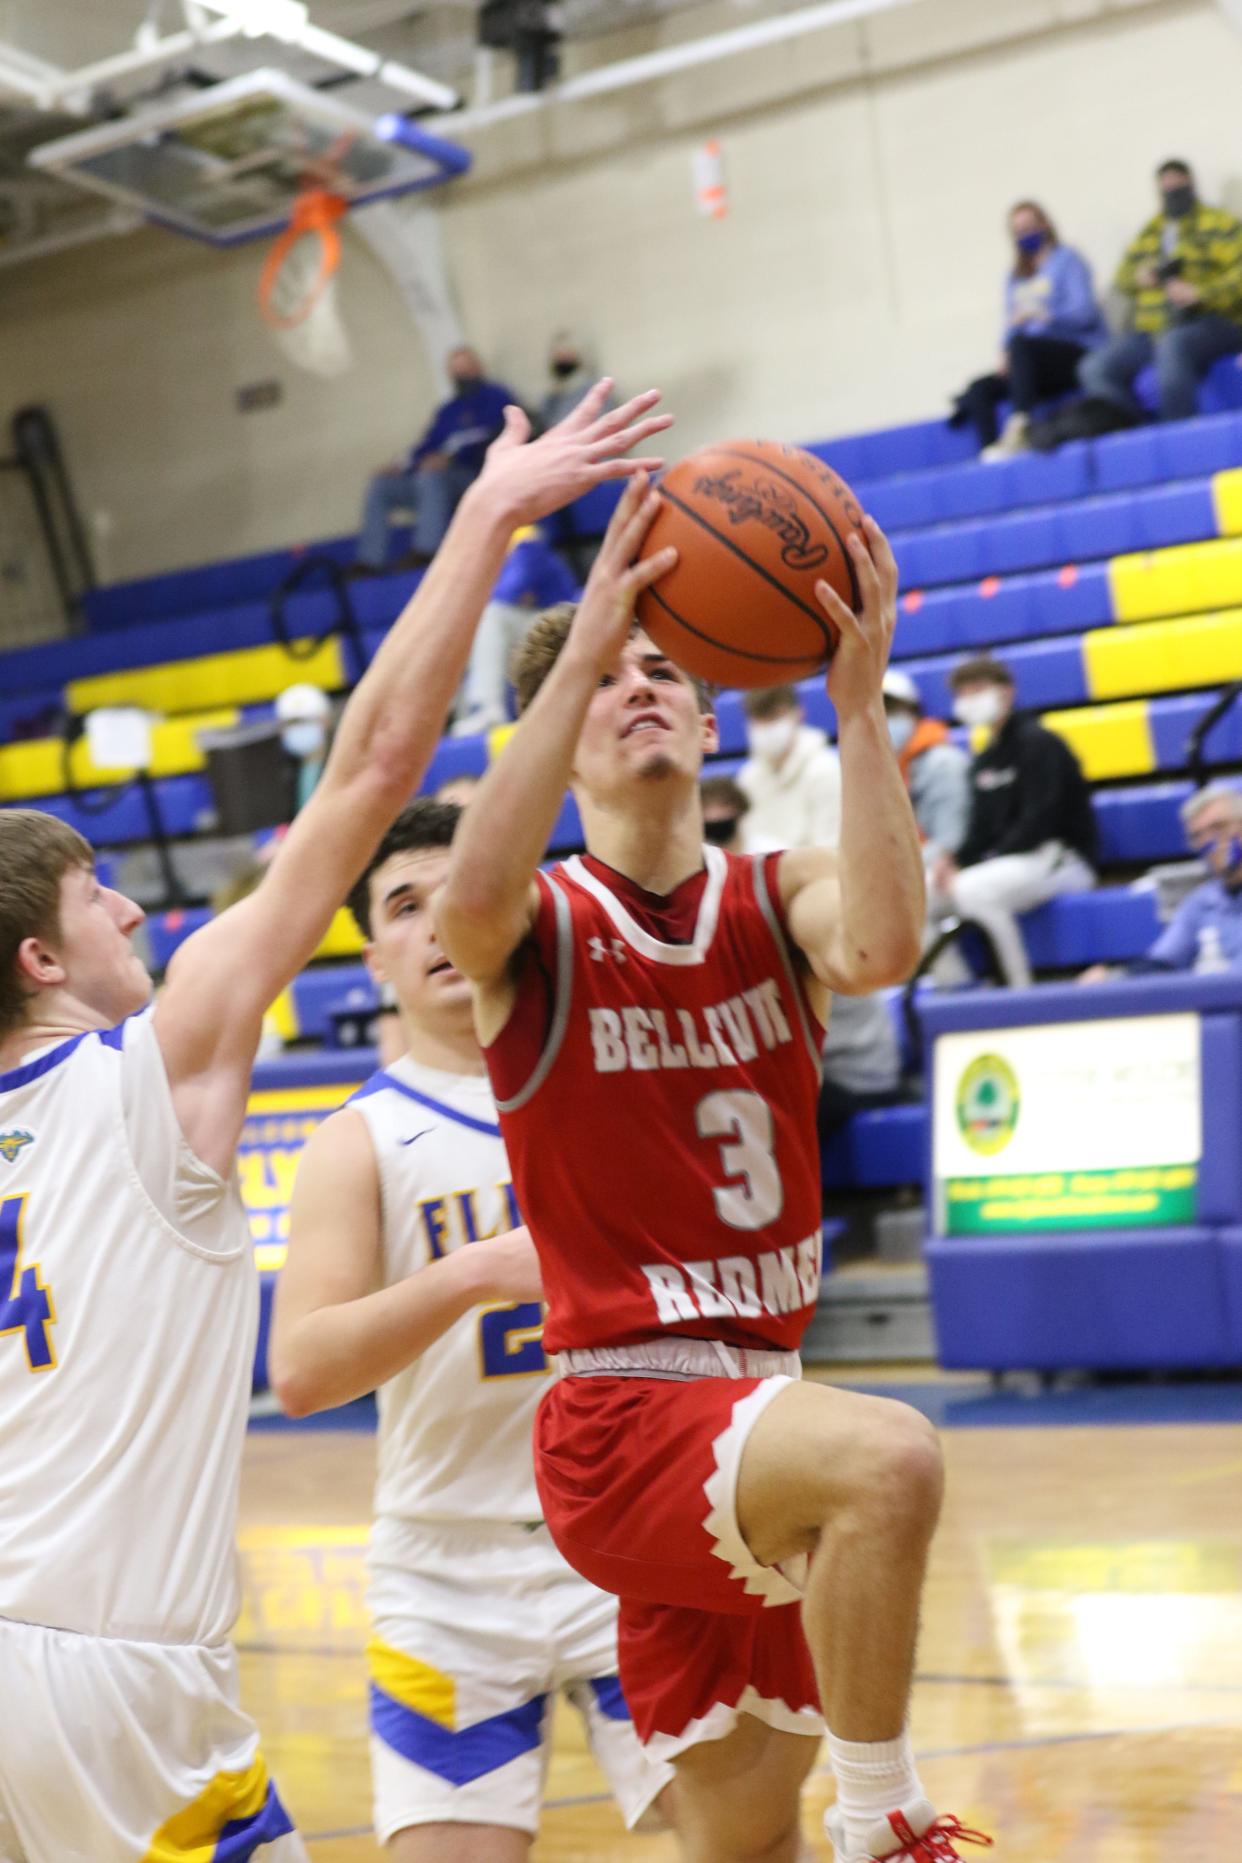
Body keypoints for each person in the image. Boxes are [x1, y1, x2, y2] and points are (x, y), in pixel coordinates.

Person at [0, 379, 670, 1863]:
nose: (130, 904)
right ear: (44, 960)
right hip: (109, 1671)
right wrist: (490, 514)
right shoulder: (146, 1067)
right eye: (95, 894)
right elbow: (371, 769)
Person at [435, 481, 992, 1863]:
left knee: (744, 1844)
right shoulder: (540, 922)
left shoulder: (772, 889)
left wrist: (860, 711)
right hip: (626, 1419)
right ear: (556, 735)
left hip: (759, 1412)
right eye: (607, 675)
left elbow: (876, 948)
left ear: (710, 715)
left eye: (665, 671)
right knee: (894, 1456)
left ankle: (836, 1822)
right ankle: (891, 1819)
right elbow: (465, 906)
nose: (639, 689)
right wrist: (577, 654)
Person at [271, 799, 674, 1860]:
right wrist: (473, 1275)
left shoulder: (620, 1084)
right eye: (405, 906)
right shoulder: (359, 1140)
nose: (438, 923)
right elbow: (303, 1373)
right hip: (445, 1575)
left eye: (459, 894)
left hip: (639, 1538)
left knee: (747, 1840)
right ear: (374, 960)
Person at [928, 655, 1097, 989]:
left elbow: (1042, 820)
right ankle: (957, 990)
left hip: (1061, 859)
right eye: (962, 694)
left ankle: (1017, 990)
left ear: (1006, 691)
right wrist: (954, 861)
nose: (969, 700)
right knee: (923, 896)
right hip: (1010, 862)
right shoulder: (985, 759)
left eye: (977, 689)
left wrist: (982, 863)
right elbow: (978, 830)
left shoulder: (1041, 744)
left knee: (972, 888)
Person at [1078, 159, 1242, 424]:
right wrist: (1141, 276)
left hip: (1211, 321)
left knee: (1173, 345)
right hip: (1154, 329)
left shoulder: (1219, 223)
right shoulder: (1150, 232)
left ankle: (1179, 436)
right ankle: (1134, 435)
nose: (1172, 193)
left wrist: (1200, 292)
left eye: (1178, 186)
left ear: (1190, 184)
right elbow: (1123, 277)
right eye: (1166, 189)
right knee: (1095, 367)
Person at [954, 201, 1105, 457]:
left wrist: (1047, 315)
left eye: (1029, 227)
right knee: (978, 389)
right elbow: (1012, 322)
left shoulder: (1068, 260)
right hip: (1030, 363)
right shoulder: (1016, 276)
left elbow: (1085, 312)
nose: (1025, 234)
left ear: (1044, 224)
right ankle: (991, 454)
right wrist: (1004, 351)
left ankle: (1020, 425)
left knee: (1022, 347)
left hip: (1073, 353)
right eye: (1018, 231)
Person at [358, 346, 521, 571]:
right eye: (456, 371)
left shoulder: (496, 396)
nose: (461, 376)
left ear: (478, 367)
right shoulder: (448, 410)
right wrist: (401, 466)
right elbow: (426, 445)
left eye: (465, 368)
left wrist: (449, 457)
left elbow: (489, 434)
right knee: (382, 485)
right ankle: (370, 561)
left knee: (430, 476)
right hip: (434, 479)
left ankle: (426, 550)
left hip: (472, 475)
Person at [1082, 783, 1242, 981]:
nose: (1209, 842)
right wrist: (1113, 977)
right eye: (1197, 836)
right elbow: (1162, 963)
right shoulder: (1201, 904)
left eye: (1218, 827)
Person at [452, 527, 581, 737]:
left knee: (492, 616)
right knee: (465, 636)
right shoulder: (484, 557)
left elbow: (512, 588)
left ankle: (488, 707)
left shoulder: (524, 537)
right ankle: (466, 711)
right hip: (533, 622)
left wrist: (499, 594)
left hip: (561, 622)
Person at [881, 670, 970, 870]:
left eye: (891, 710)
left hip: (945, 868)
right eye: (876, 713)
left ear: (913, 712)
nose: (883, 719)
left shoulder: (943, 763)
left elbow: (950, 841)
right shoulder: (878, 770)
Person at [738, 685, 842, 852]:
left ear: (798, 713)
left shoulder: (826, 770)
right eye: (759, 719)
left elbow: (831, 850)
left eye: (774, 716)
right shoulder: (748, 777)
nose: (766, 727)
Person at [275, 682, 333, 813]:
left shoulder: (342, 768)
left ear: (326, 721)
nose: (300, 729)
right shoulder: (279, 779)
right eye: (293, 723)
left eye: (306, 721)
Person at [537, 332, 601, 432]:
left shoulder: (594, 391)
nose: (562, 359)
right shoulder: (552, 396)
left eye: (567, 354)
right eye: (558, 354)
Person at [700, 773, 750, 851]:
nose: (715, 815)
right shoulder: (694, 856)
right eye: (707, 807)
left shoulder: (766, 850)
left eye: (722, 805)